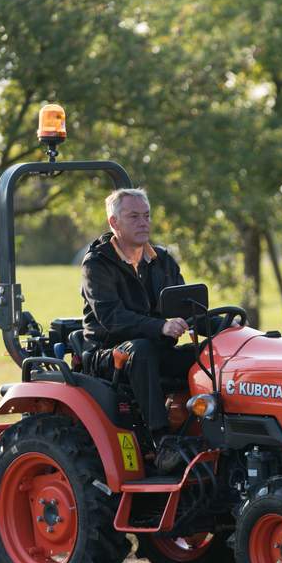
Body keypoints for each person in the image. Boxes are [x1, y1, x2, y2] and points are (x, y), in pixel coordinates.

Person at [80, 187, 193, 472]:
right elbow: (112, 317)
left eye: (146, 216)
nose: (144, 222)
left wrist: (224, 325)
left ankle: (204, 428)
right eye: (134, 216)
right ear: (114, 223)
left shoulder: (162, 260)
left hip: (154, 346)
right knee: (140, 351)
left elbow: (184, 306)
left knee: (206, 354)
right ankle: (161, 441)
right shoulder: (97, 264)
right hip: (108, 353)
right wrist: (161, 326)